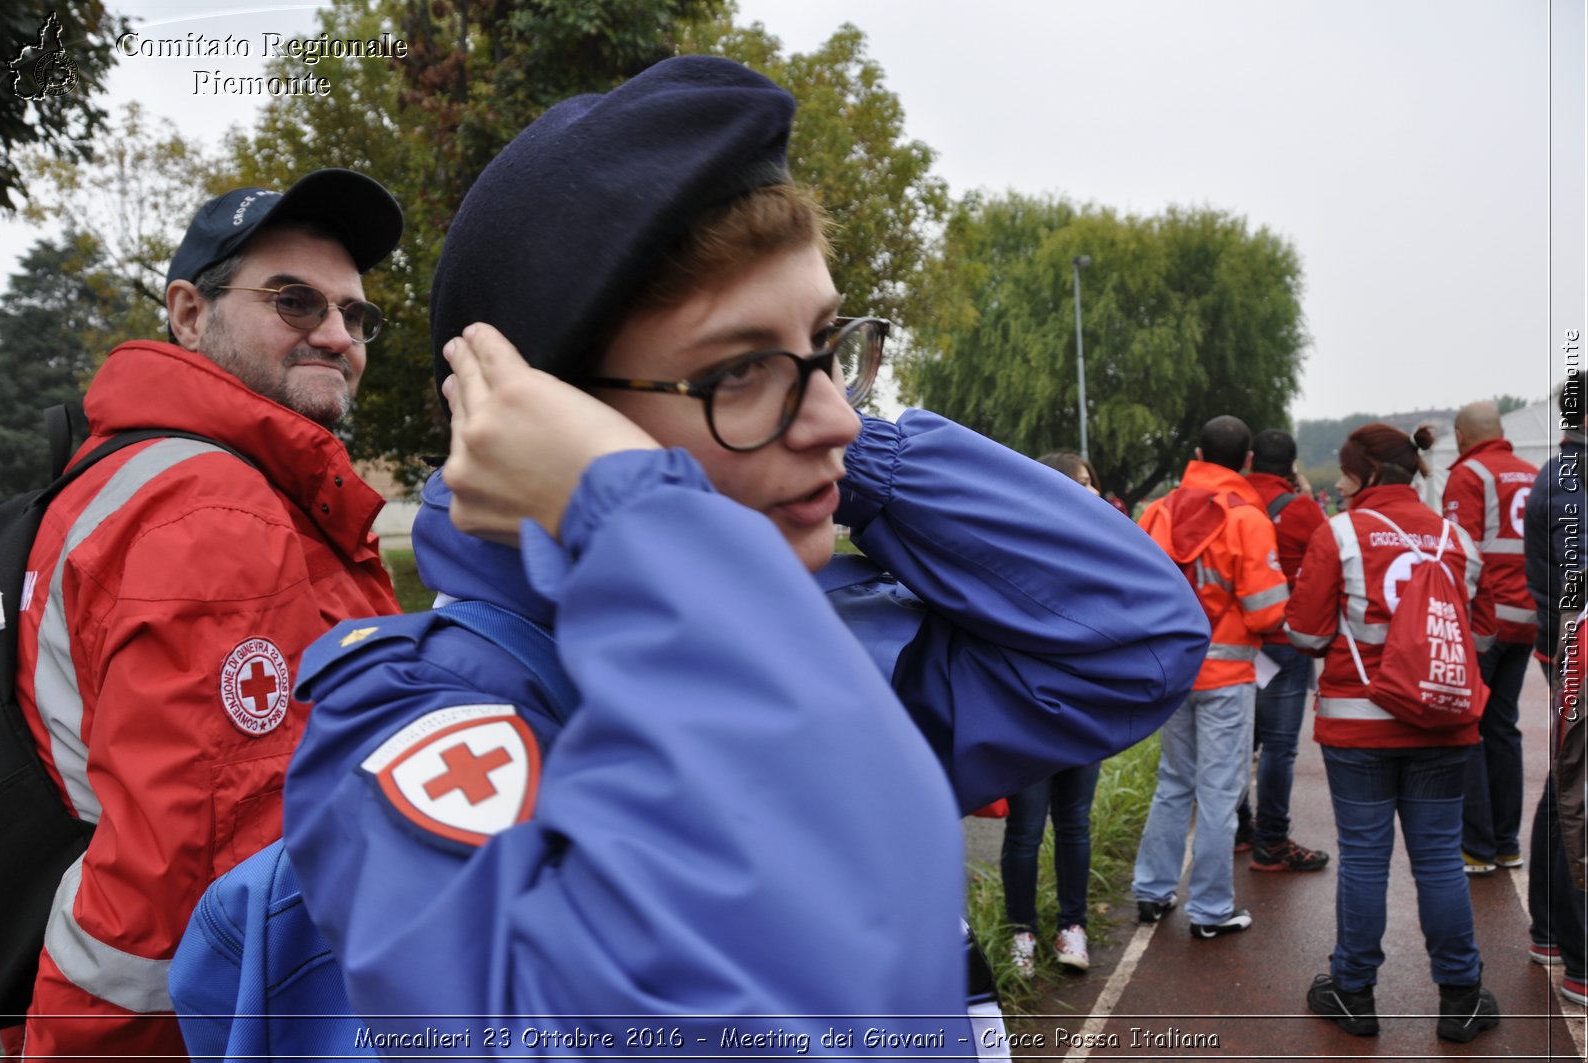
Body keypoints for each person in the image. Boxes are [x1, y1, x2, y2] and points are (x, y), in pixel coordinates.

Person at [248, 56, 1207, 1054]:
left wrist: (847, 456)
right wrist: (628, 514)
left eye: (828, 347)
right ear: (544, 418)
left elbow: (1133, 638)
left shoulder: (806, 632)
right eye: (741, 369)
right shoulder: (422, 728)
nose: (837, 416)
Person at [4, 170, 404, 1059]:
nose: (337, 335)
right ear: (189, 313)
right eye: (295, 301)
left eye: (356, 315)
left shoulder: (146, 472)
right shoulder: (214, 508)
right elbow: (187, 884)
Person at [1289, 423, 1500, 1043]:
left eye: (1349, 474)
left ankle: (1353, 993)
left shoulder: (1340, 534)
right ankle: (1460, 999)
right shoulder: (1456, 539)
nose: (1345, 483)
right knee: (1438, 861)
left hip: (1359, 725)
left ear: (1369, 476)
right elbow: (1480, 635)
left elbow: (1304, 633)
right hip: (1441, 721)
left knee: (1363, 860)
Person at [1131, 416, 1289, 939]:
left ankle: (1152, 892)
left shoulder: (1156, 512)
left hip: (1171, 675)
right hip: (1227, 676)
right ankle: (1211, 910)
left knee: (1173, 784)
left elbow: (1138, 593)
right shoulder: (1248, 519)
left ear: (1198, 452)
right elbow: (1267, 612)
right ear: (1247, 461)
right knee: (1220, 793)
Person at [1000, 452, 1105, 975]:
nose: (1091, 492)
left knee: (1074, 823)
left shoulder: (1105, 552)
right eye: (1079, 483)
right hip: (1026, 711)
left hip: (1082, 711)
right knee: (1025, 827)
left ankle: (1072, 927)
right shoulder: (1017, 551)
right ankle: (1021, 932)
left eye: (1091, 483)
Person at [1442, 400, 1540, 875]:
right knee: (1504, 727)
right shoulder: (1532, 472)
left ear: (1461, 436)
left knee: (1471, 727)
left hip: (1485, 621)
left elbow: (1460, 551)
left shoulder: (1469, 474)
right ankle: (1507, 843)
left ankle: (1476, 847)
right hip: (1529, 617)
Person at [1236, 428, 1330, 872]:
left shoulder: (1229, 501)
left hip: (1234, 644)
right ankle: (1272, 841)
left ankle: (1239, 826)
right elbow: (1326, 562)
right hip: (1283, 643)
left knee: (1238, 740)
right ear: (1291, 466)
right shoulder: (1302, 509)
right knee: (1278, 746)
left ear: (1251, 460)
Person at [1522, 373, 1588, 1007]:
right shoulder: (1572, 482)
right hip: (1579, 648)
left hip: (1565, 643)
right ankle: (1581, 959)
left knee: (1568, 784)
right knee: (1580, 796)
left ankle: (1550, 931)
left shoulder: (1563, 474)